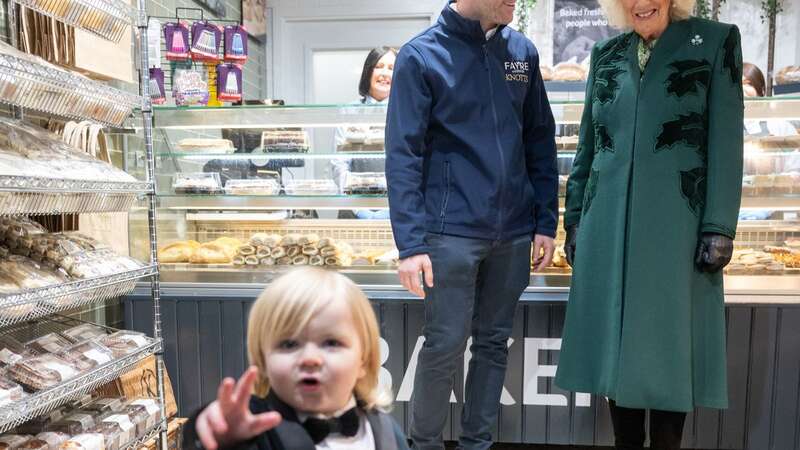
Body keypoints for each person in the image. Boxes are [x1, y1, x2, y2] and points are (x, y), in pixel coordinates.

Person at [554, 0, 744, 448]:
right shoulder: (607, 53)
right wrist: (575, 218)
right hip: (608, 224)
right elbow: (590, 144)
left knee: (668, 347)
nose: (641, 3)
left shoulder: (715, 42)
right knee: (616, 348)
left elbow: (727, 139)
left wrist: (719, 225)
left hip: (677, 225)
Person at [385, 0, 558, 448]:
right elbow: (402, 155)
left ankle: (476, 444)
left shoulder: (522, 52)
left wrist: (545, 220)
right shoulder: (421, 55)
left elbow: (539, 138)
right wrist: (410, 244)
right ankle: (422, 445)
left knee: (493, 343)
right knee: (443, 345)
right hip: (449, 232)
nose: (515, 1)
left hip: (516, 230)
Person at [183, 267, 409, 450]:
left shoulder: (385, 430)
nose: (310, 358)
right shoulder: (255, 427)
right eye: (289, 344)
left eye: (331, 343)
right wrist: (220, 438)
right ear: (263, 362)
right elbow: (211, 434)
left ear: (364, 360)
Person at [332, 47, 397, 220]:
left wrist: (395, 207)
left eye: (391, 68)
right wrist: (358, 209)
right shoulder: (349, 111)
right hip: (353, 210)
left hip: (396, 211)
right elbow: (339, 164)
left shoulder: (406, 111)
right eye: (379, 66)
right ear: (369, 71)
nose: (385, 73)